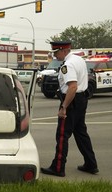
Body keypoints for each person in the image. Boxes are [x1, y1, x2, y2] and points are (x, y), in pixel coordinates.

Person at [41, 41, 99, 177]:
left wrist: (64, 107)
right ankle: (91, 164)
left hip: (72, 101)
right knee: (81, 133)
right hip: (81, 100)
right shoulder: (78, 59)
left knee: (62, 135)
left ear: (63, 50)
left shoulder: (68, 65)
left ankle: (58, 167)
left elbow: (72, 87)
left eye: (56, 53)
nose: (55, 56)